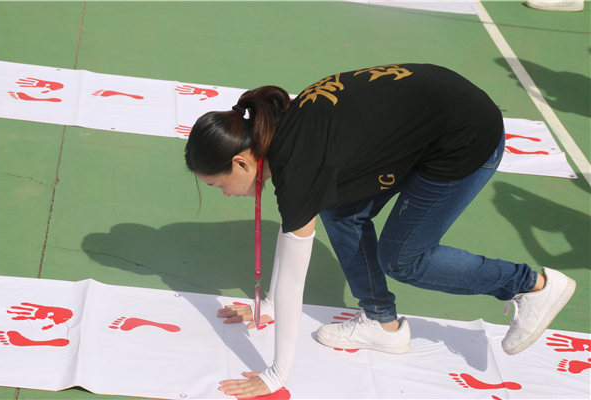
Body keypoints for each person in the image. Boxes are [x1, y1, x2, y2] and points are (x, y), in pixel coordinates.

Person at [184, 63, 576, 398]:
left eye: (217, 184)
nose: (224, 193)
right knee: (339, 209)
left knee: (404, 259)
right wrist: (267, 307)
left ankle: (531, 285)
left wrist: (276, 374)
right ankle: (382, 324)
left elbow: (293, 278)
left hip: (465, 136)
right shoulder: (280, 127)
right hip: (437, 114)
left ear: (241, 162)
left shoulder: (298, 167)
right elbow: (293, 235)